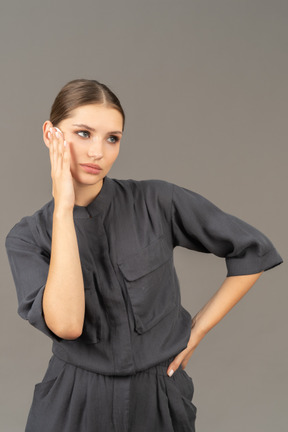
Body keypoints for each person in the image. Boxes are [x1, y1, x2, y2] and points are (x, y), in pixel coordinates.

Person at [5, 78, 283, 432]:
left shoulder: (157, 202)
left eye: (112, 138)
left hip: (158, 399)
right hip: (73, 402)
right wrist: (63, 210)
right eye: (83, 133)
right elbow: (68, 325)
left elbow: (252, 250)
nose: (97, 153)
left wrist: (196, 331)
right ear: (51, 135)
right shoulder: (27, 237)